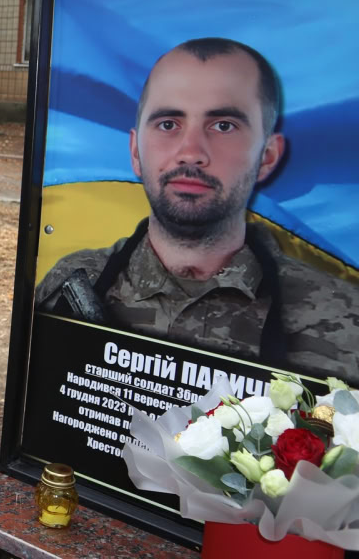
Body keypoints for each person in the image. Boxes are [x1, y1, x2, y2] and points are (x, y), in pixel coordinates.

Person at [36, 37, 359, 380]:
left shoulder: (343, 318)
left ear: (267, 156)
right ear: (135, 152)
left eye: (223, 126)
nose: (190, 151)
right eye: (168, 124)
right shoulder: (69, 283)